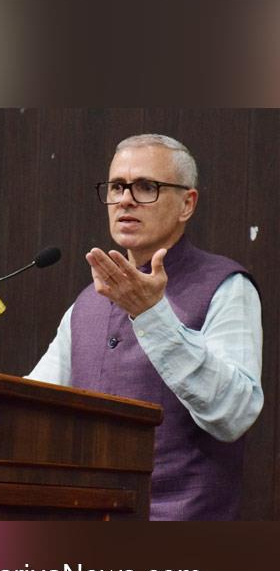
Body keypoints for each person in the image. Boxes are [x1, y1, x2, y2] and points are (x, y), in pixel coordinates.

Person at [25, 134, 263, 521]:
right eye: (117, 186)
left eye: (146, 187)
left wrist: (152, 316)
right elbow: (32, 404)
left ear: (187, 203)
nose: (125, 200)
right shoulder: (87, 301)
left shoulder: (225, 286)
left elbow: (233, 414)